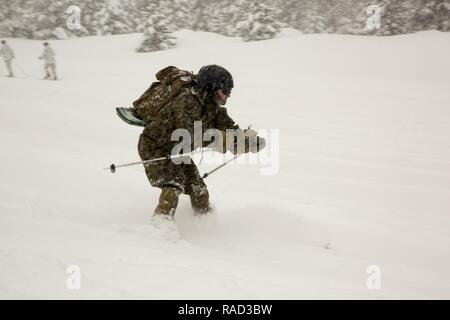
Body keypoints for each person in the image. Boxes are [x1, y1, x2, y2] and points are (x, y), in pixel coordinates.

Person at [136, 65, 266, 220]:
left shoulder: (210, 104)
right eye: (225, 92)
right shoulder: (186, 101)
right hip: (154, 146)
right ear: (212, 88)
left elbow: (227, 125)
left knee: (198, 189)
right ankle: (160, 226)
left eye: (229, 92)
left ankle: (205, 224)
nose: (228, 96)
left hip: (177, 151)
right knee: (173, 185)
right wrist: (230, 142)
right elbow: (195, 135)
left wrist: (247, 140)